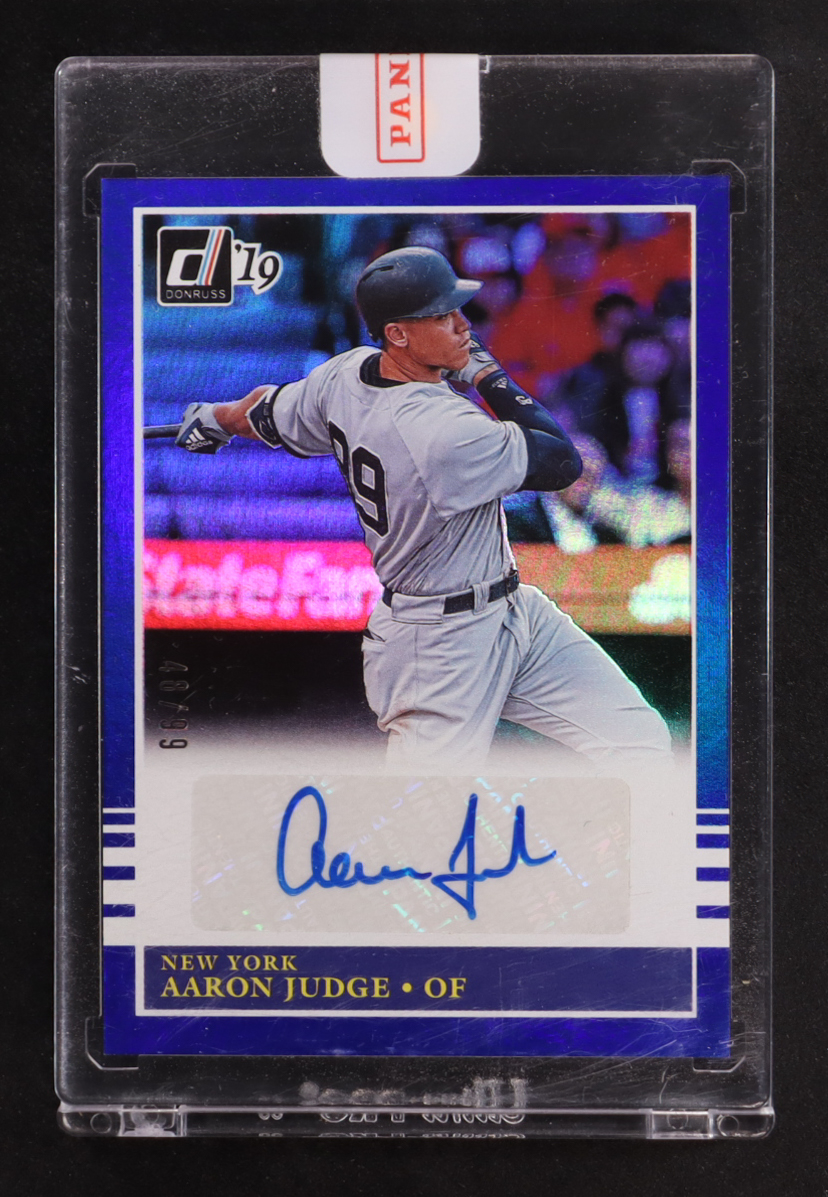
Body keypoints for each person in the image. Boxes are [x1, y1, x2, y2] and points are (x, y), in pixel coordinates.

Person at [174, 246, 671, 774]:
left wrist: (216, 418)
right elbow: (562, 462)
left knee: (638, 740)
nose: (464, 327)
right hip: (437, 645)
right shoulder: (439, 429)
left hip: (513, 610)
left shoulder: (346, 374)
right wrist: (487, 375)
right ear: (398, 334)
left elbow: (265, 409)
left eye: (456, 310)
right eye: (441, 316)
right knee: (425, 807)